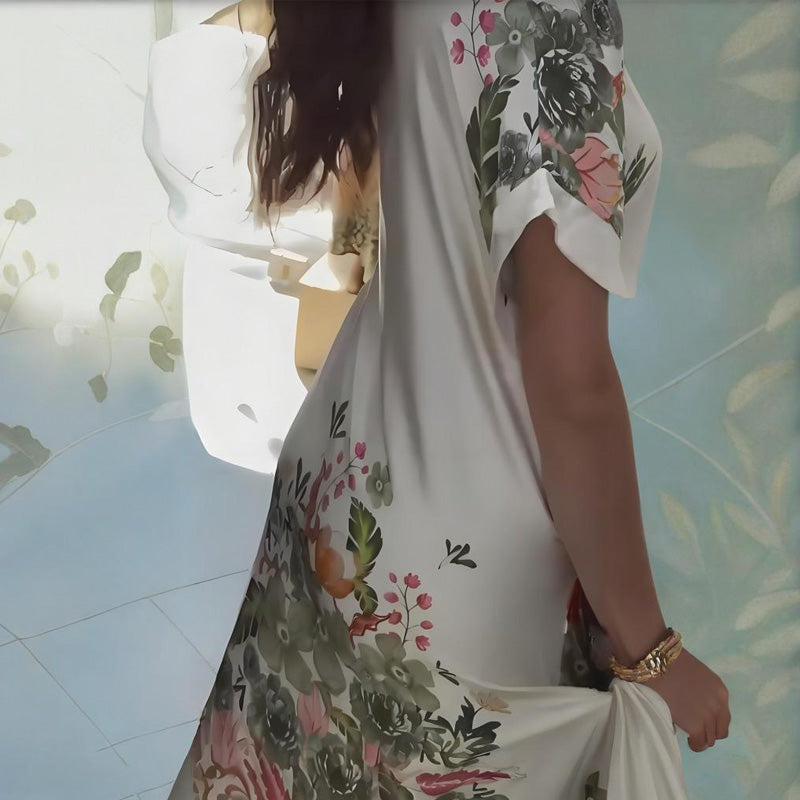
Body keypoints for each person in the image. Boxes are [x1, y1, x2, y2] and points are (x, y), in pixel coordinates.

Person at [142, 1, 731, 798]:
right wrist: (651, 649)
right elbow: (571, 381)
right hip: (460, 582)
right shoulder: (550, 16)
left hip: (342, 485)